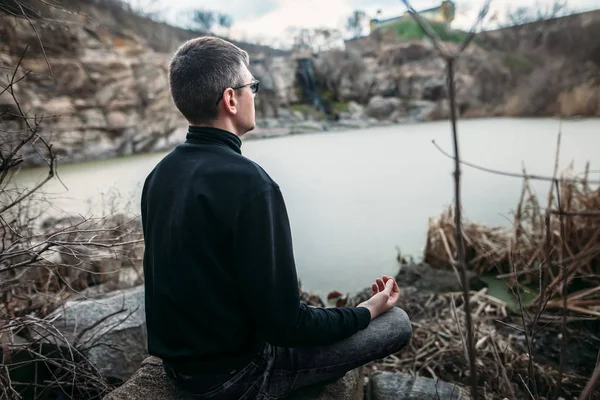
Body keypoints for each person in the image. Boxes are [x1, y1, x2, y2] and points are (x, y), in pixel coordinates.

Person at [140, 36, 412, 399]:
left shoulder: (160, 174)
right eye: (252, 85)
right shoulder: (251, 184)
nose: (255, 93)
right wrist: (366, 310)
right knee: (397, 324)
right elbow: (287, 326)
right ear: (231, 99)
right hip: (235, 378)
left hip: (182, 370)